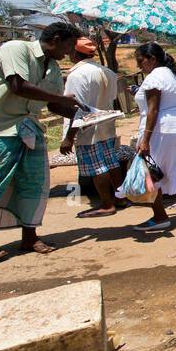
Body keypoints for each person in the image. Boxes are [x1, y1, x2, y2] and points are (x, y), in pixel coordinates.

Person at [0, 22, 83, 264]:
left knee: (34, 183)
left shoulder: (52, 67)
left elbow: (54, 105)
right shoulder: (15, 49)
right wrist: (62, 98)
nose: (70, 52)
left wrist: (83, 116)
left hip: (26, 126)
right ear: (55, 39)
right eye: (69, 45)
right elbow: (18, 86)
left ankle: (29, 236)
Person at [128, 43, 176, 233]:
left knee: (151, 171)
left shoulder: (155, 77)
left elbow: (153, 110)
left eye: (141, 61)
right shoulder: (175, 75)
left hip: (161, 129)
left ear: (152, 59)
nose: (139, 66)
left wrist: (145, 140)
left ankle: (160, 216)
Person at [59, 37, 123, 217]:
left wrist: (69, 137)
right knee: (111, 163)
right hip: (106, 124)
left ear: (74, 53)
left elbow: (77, 108)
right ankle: (120, 196)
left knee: (97, 167)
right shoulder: (108, 72)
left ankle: (106, 204)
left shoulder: (77, 75)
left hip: (87, 126)